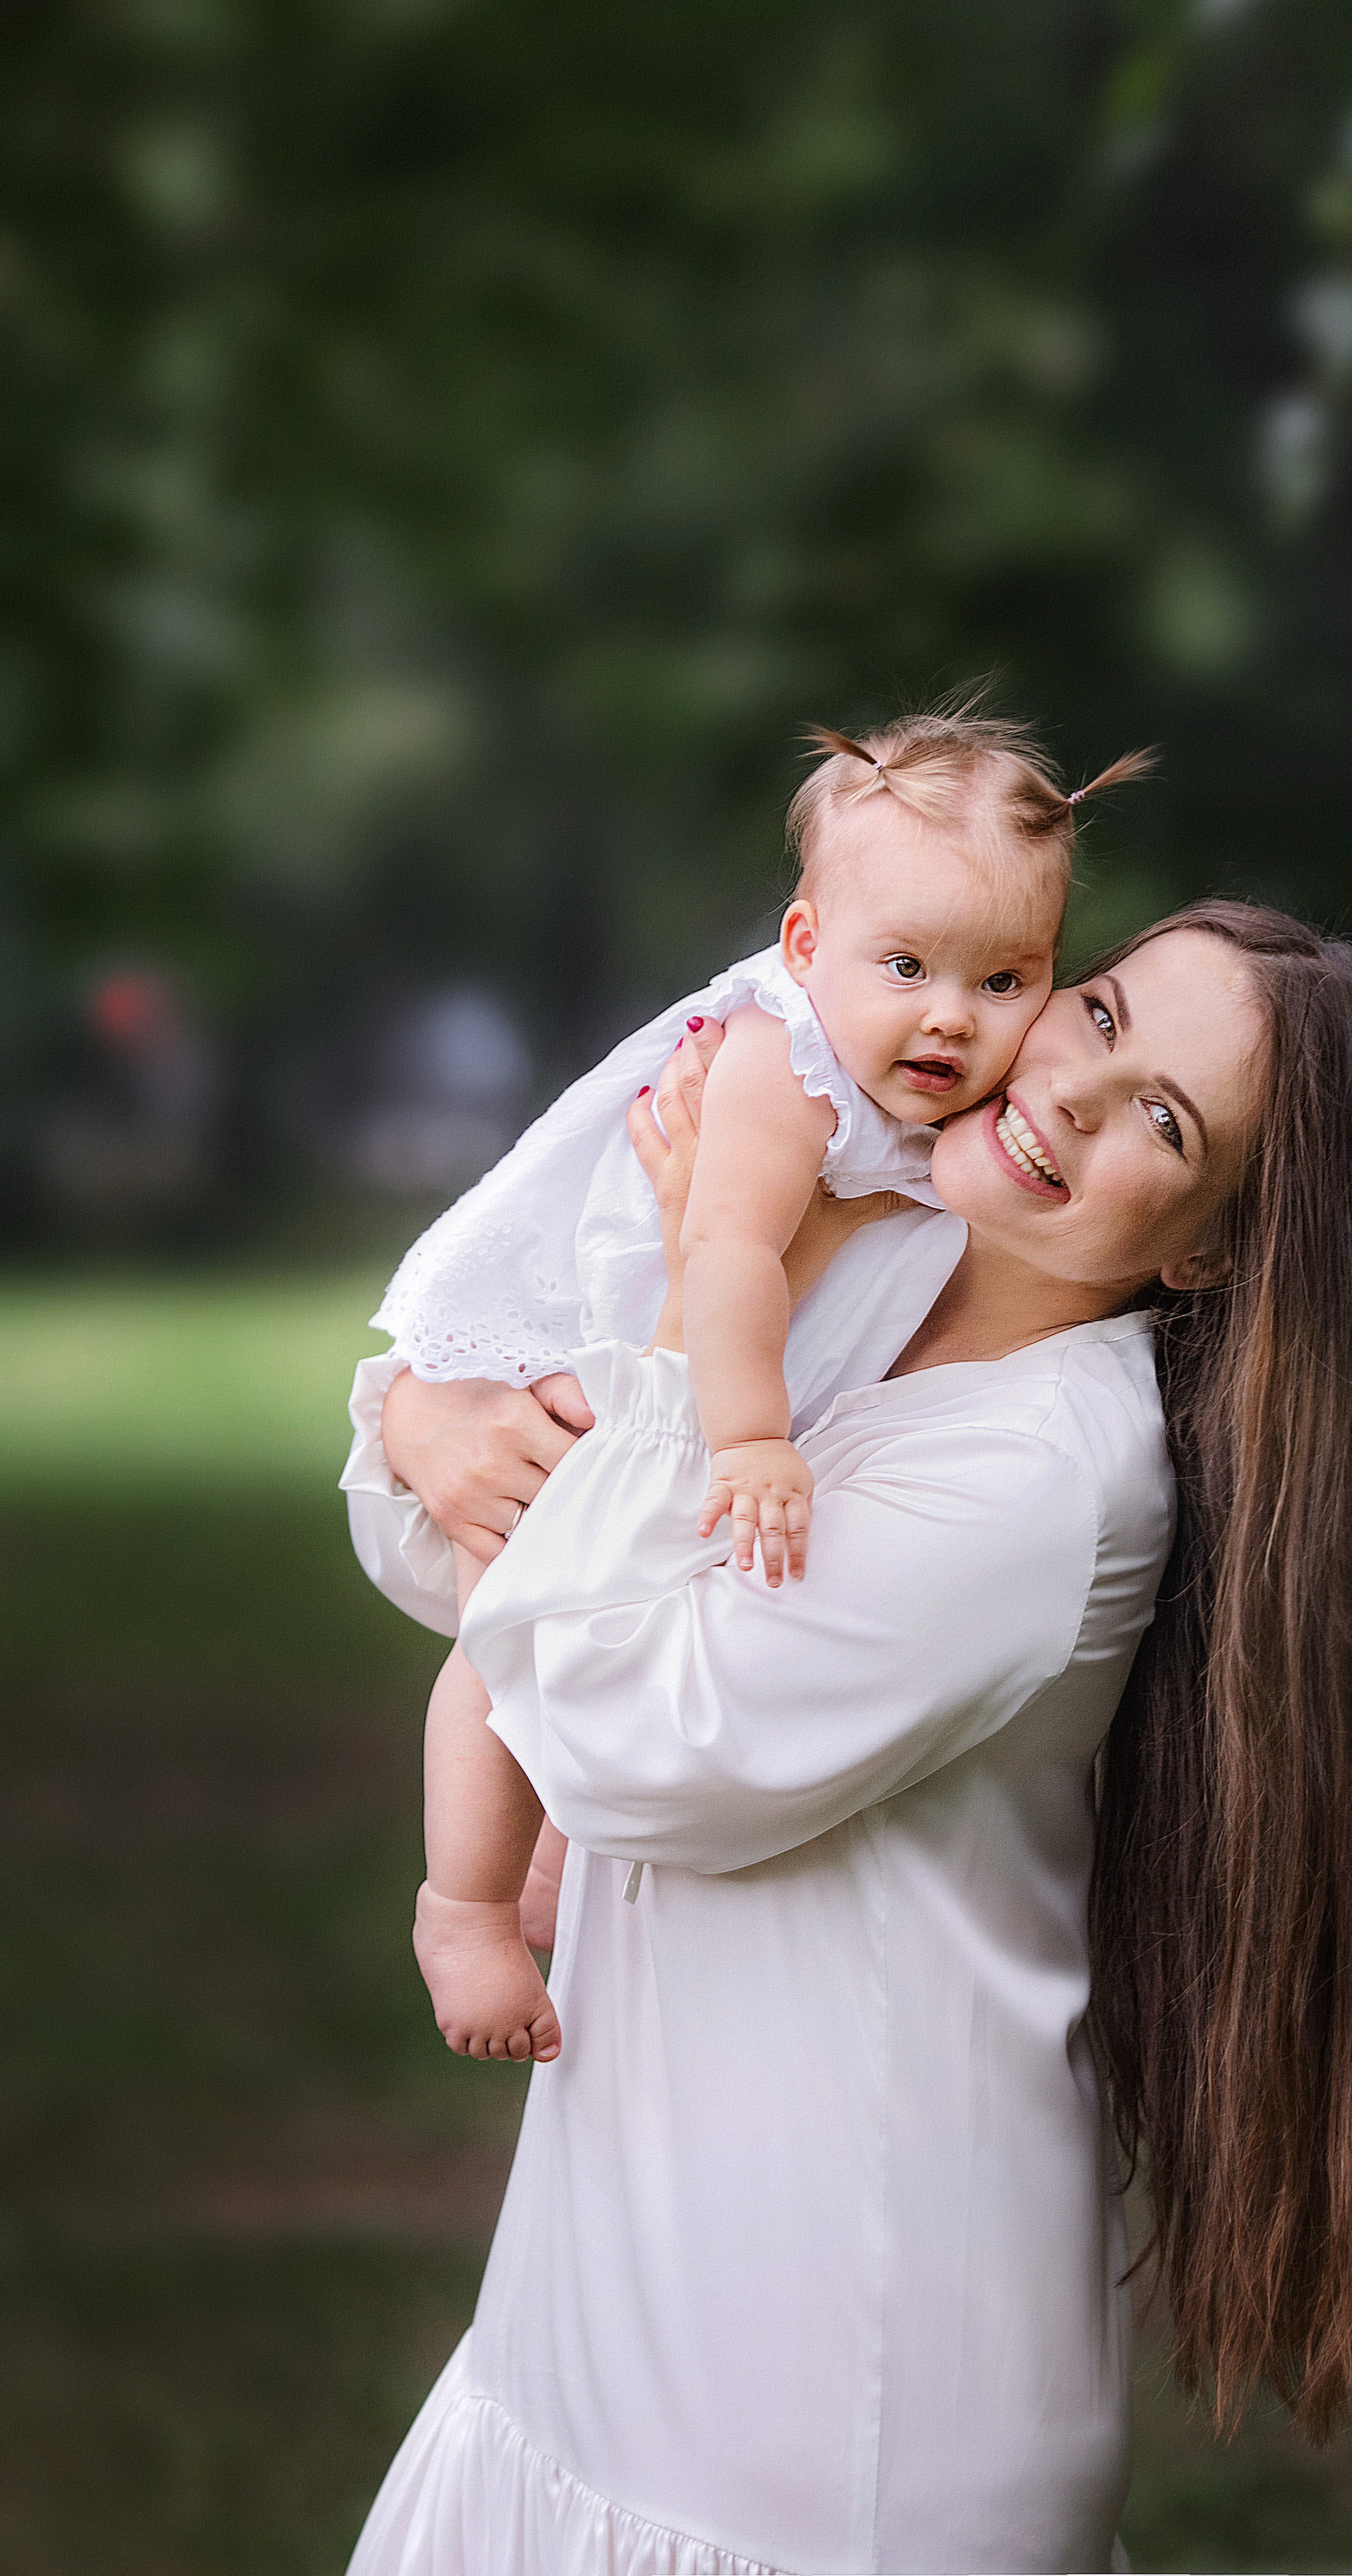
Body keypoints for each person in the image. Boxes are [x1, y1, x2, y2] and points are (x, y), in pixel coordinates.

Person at [340, 902, 1352, 2576]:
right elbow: (466, 1564)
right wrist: (422, 1417)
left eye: (1163, 1118)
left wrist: (673, 1337)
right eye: (1094, 1013)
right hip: (610, 2294)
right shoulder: (864, 1269)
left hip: (824, 2393)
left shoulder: (1046, 1476)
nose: (1076, 1093)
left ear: (1212, 1246)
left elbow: (632, 1741)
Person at [375, 711, 1150, 2067]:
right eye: (905, 966)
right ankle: (465, 1907)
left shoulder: (949, 1096)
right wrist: (749, 1442)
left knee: (586, 1617)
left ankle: (554, 1842)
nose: (949, 1018)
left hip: (652, 1373)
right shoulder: (783, 1069)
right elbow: (725, 1250)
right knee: (508, 1634)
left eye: (1006, 979)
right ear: (805, 949)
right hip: (588, 1346)